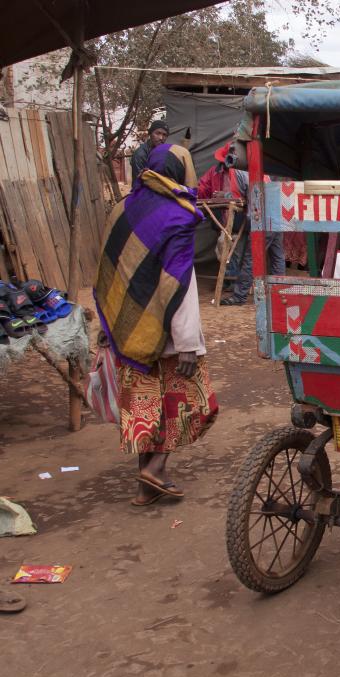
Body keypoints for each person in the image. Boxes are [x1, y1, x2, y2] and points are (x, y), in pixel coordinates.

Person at [94, 144, 219, 506]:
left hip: (127, 330)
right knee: (192, 404)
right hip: (166, 336)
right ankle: (157, 467)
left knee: (143, 410)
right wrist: (187, 343)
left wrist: (110, 325)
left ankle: (144, 489)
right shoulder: (178, 216)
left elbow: (108, 271)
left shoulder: (123, 209)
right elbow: (176, 284)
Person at [199, 141, 285, 305]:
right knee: (276, 256)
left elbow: (247, 196)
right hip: (276, 211)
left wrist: (224, 196)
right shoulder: (255, 167)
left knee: (251, 257)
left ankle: (239, 296)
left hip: (263, 215)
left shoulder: (239, 172)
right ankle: (278, 294)